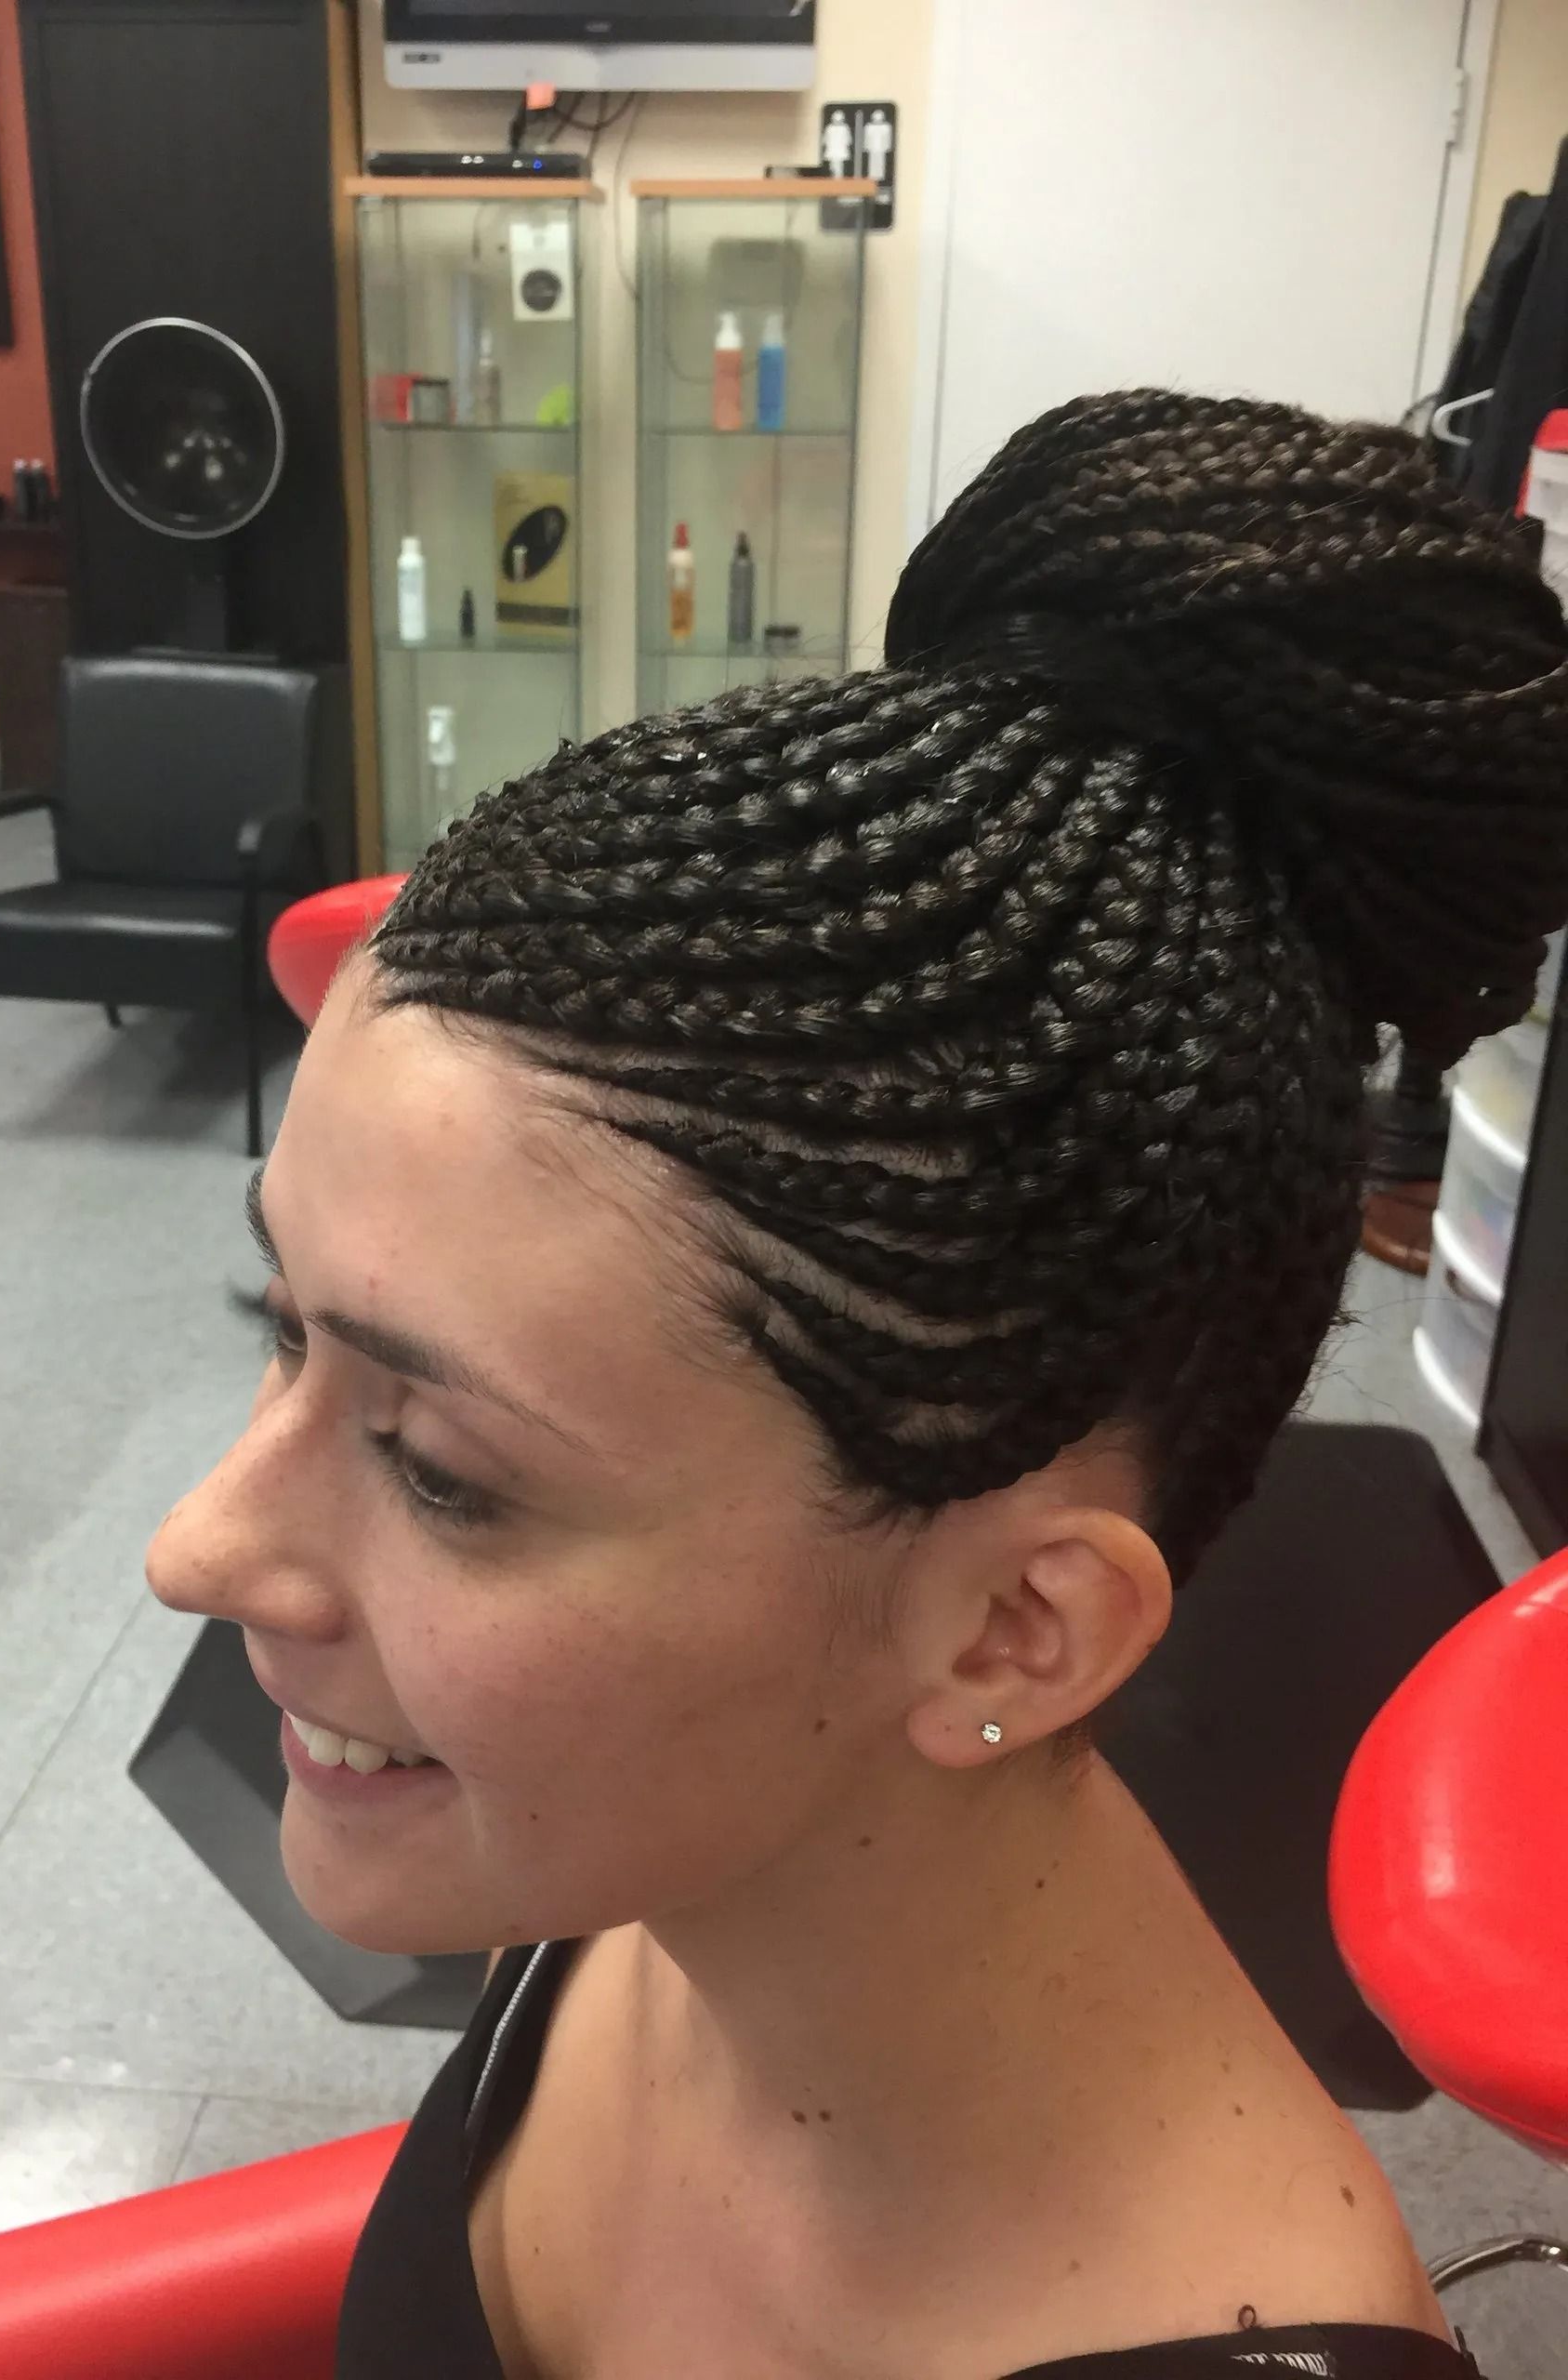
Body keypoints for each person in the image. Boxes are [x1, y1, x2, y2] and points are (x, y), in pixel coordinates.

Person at [147, 391, 1568, 2379]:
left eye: (443, 1467)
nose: (191, 1545)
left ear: (1009, 1622)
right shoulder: (667, 1828)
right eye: (283, 1323)